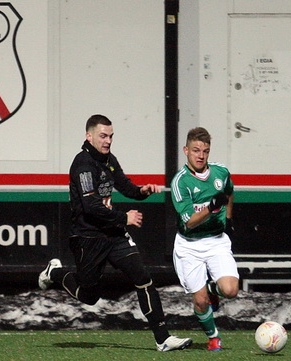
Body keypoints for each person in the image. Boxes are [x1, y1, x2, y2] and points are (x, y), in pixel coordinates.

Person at [38, 114, 192, 352]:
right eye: (102, 136)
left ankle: (163, 338)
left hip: (113, 235)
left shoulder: (109, 160)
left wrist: (142, 191)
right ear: (89, 137)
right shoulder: (83, 165)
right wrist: (125, 217)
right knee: (89, 296)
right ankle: (55, 272)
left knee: (143, 278)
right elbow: (90, 207)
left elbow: (125, 186)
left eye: (110, 136)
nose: (108, 140)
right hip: (87, 237)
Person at [170, 127, 240, 351]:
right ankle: (213, 337)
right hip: (189, 245)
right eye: (196, 150)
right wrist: (212, 207)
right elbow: (189, 221)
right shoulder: (180, 182)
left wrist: (227, 217)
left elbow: (228, 192)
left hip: (216, 240)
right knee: (200, 302)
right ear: (186, 150)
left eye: (205, 151)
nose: (200, 155)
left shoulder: (220, 173)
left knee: (230, 290)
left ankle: (213, 290)